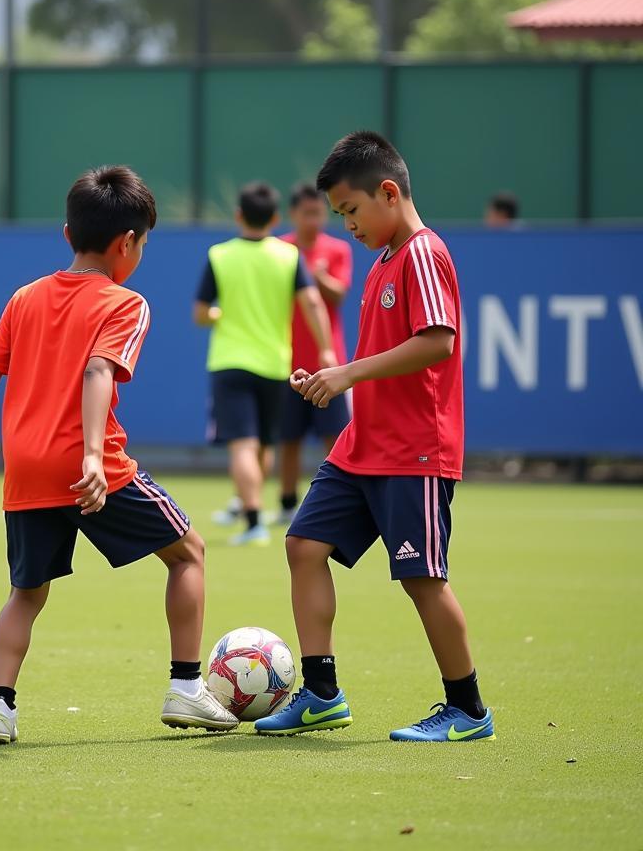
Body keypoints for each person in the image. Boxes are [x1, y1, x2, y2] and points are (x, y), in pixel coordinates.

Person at [0, 166, 238, 745]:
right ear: (127, 243)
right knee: (189, 553)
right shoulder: (126, 303)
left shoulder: (25, 297)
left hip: (24, 467)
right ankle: (186, 688)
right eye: (142, 244)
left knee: (26, 593)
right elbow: (99, 368)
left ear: (66, 234)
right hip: (90, 468)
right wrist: (94, 459)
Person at [255, 131, 493, 743]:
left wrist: (346, 374)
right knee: (304, 546)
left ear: (389, 192)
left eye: (352, 211)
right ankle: (322, 694)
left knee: (422, 578)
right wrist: (335, 381)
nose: (349, 226)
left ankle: (467, 710)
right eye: (340, 216)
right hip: (364, 445)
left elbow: (438, 340)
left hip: (415, 449)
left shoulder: (421, 252)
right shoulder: (385, 260)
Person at [193, 182, 335, 546]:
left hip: (230, 362)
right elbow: (314, 303)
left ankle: (253, 517)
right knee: (265, 445)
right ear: (275, 217)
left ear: (239, 215)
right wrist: (325, 350)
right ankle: (253, 508)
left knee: (241, 445)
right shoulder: (289, 256)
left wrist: (216, 313)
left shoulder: (219, 255)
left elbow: (200, 314)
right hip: (275, 364)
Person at [276, 181, 352, 525]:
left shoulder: (336, 250)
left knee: (335, 437)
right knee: (288, 438)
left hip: (328, 363)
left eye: (319, 213)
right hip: (286, 362)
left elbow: (338, 295)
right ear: (293, 214)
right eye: (307, 213)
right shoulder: (280, 250)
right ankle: (287, 504)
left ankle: (341, 502)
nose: (314, 220)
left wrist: (319, 277)